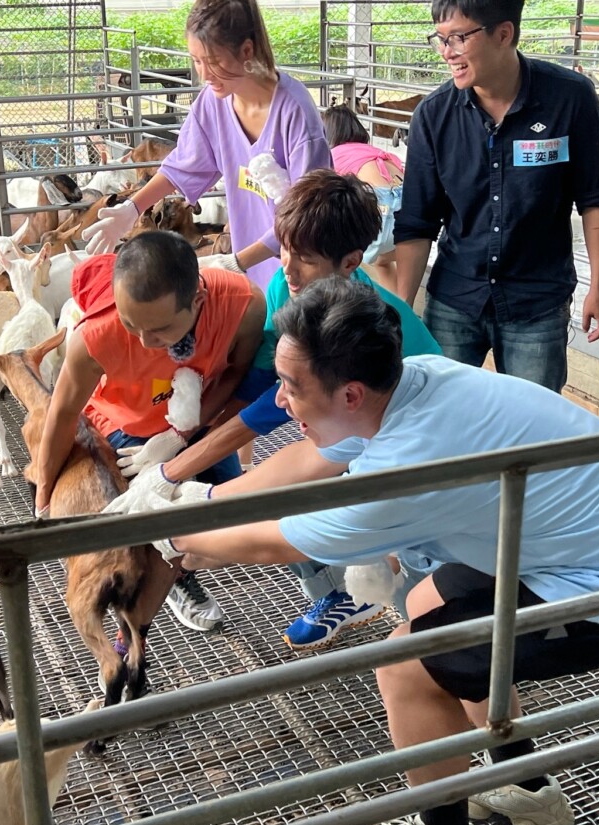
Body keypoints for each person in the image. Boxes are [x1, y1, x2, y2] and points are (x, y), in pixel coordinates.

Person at [149, 280, 599, 825]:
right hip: (593, 534)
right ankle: (521, 778)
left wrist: (173, 541)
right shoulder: (415, 378)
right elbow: (310, 461)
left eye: (291, 387)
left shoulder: (410, 462)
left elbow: (285, 541)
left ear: (349, 393)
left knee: (405, 666)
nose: (280, 400)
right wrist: (196, 497)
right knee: (422, 604)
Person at [108, 169, 442, 648]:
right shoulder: (293, 288)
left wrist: (179, 480)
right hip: (352, 426)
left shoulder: (350, 318)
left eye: (304, 258)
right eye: (284, 248)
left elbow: (273, 408)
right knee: (294, 496)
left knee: (407, 574)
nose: (286, 267)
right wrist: (186, 436)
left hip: (414, 437)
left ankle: (421, 618)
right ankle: (348, 592)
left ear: (351, 262)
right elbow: (264, 384)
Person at [34, 230, 265, 631]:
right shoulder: (96, 338)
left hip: (198, 416)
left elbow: (235, 374)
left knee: (238, 508)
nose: (143, 341)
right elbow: (63, 412)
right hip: (125, 427)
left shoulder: (244, 305)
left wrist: (181, 434)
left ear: (197, 301)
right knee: (156, 511)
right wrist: (42, 500)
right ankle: (175, 574)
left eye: (158, 329)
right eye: (130, 323)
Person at [394, 0, 599, 392]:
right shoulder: (433, 115)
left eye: (459, 38)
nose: (447, 52)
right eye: (441, 39)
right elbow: (417, 222)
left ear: (504, 33)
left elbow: (596, 197)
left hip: (537, 303)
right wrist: (401, 314)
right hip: (455, 298)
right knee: (438, 417)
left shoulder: (570, 98)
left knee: (534, 434)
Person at [83, 0, 331, 297]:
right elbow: (183, 165)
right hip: (250, 278)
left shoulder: (295, 114)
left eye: (213, 61)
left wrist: (234, 262)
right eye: (197, 61)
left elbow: (307, 219)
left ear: (247, 51)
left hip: (299, 278)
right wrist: (132, 208)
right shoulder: (213, 103)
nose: (204, 74)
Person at [322, 104, 406, 294]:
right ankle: (399, 307)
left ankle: (362, 306)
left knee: (348, 257)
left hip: (381, 212)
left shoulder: (335, 154)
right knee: (381, 260)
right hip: (408, 212)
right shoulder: (370, 150)